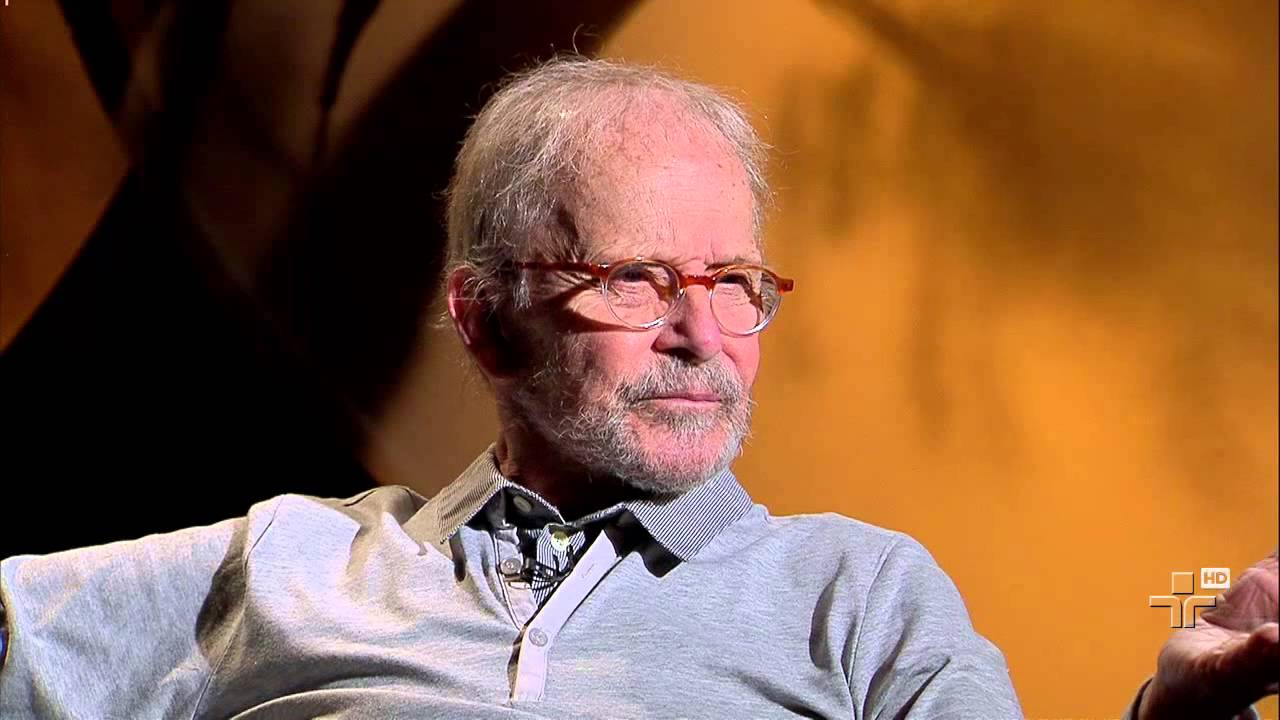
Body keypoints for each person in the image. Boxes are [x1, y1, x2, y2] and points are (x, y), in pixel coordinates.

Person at [0, 57, 1274, 719]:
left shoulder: (860, 595)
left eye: (733, 282)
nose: (700, 334)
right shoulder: (285, 564)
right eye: (634, 280)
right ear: (483, 320)